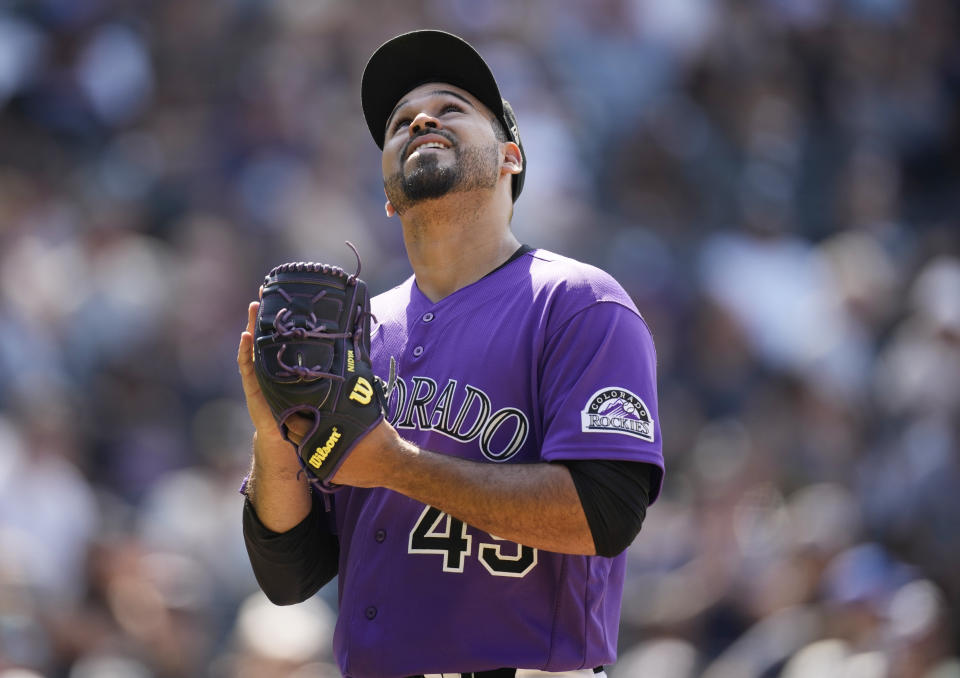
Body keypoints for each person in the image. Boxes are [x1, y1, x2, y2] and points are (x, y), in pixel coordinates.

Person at [237, 30, 665, 678]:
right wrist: (273, 440)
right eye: (401, 122)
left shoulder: (577, 302)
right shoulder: (355, 333)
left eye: (453, 107)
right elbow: (291, 573)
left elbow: (605, 514)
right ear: (387, 192)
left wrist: (396, 466)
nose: (422, 119)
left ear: (511, 158)